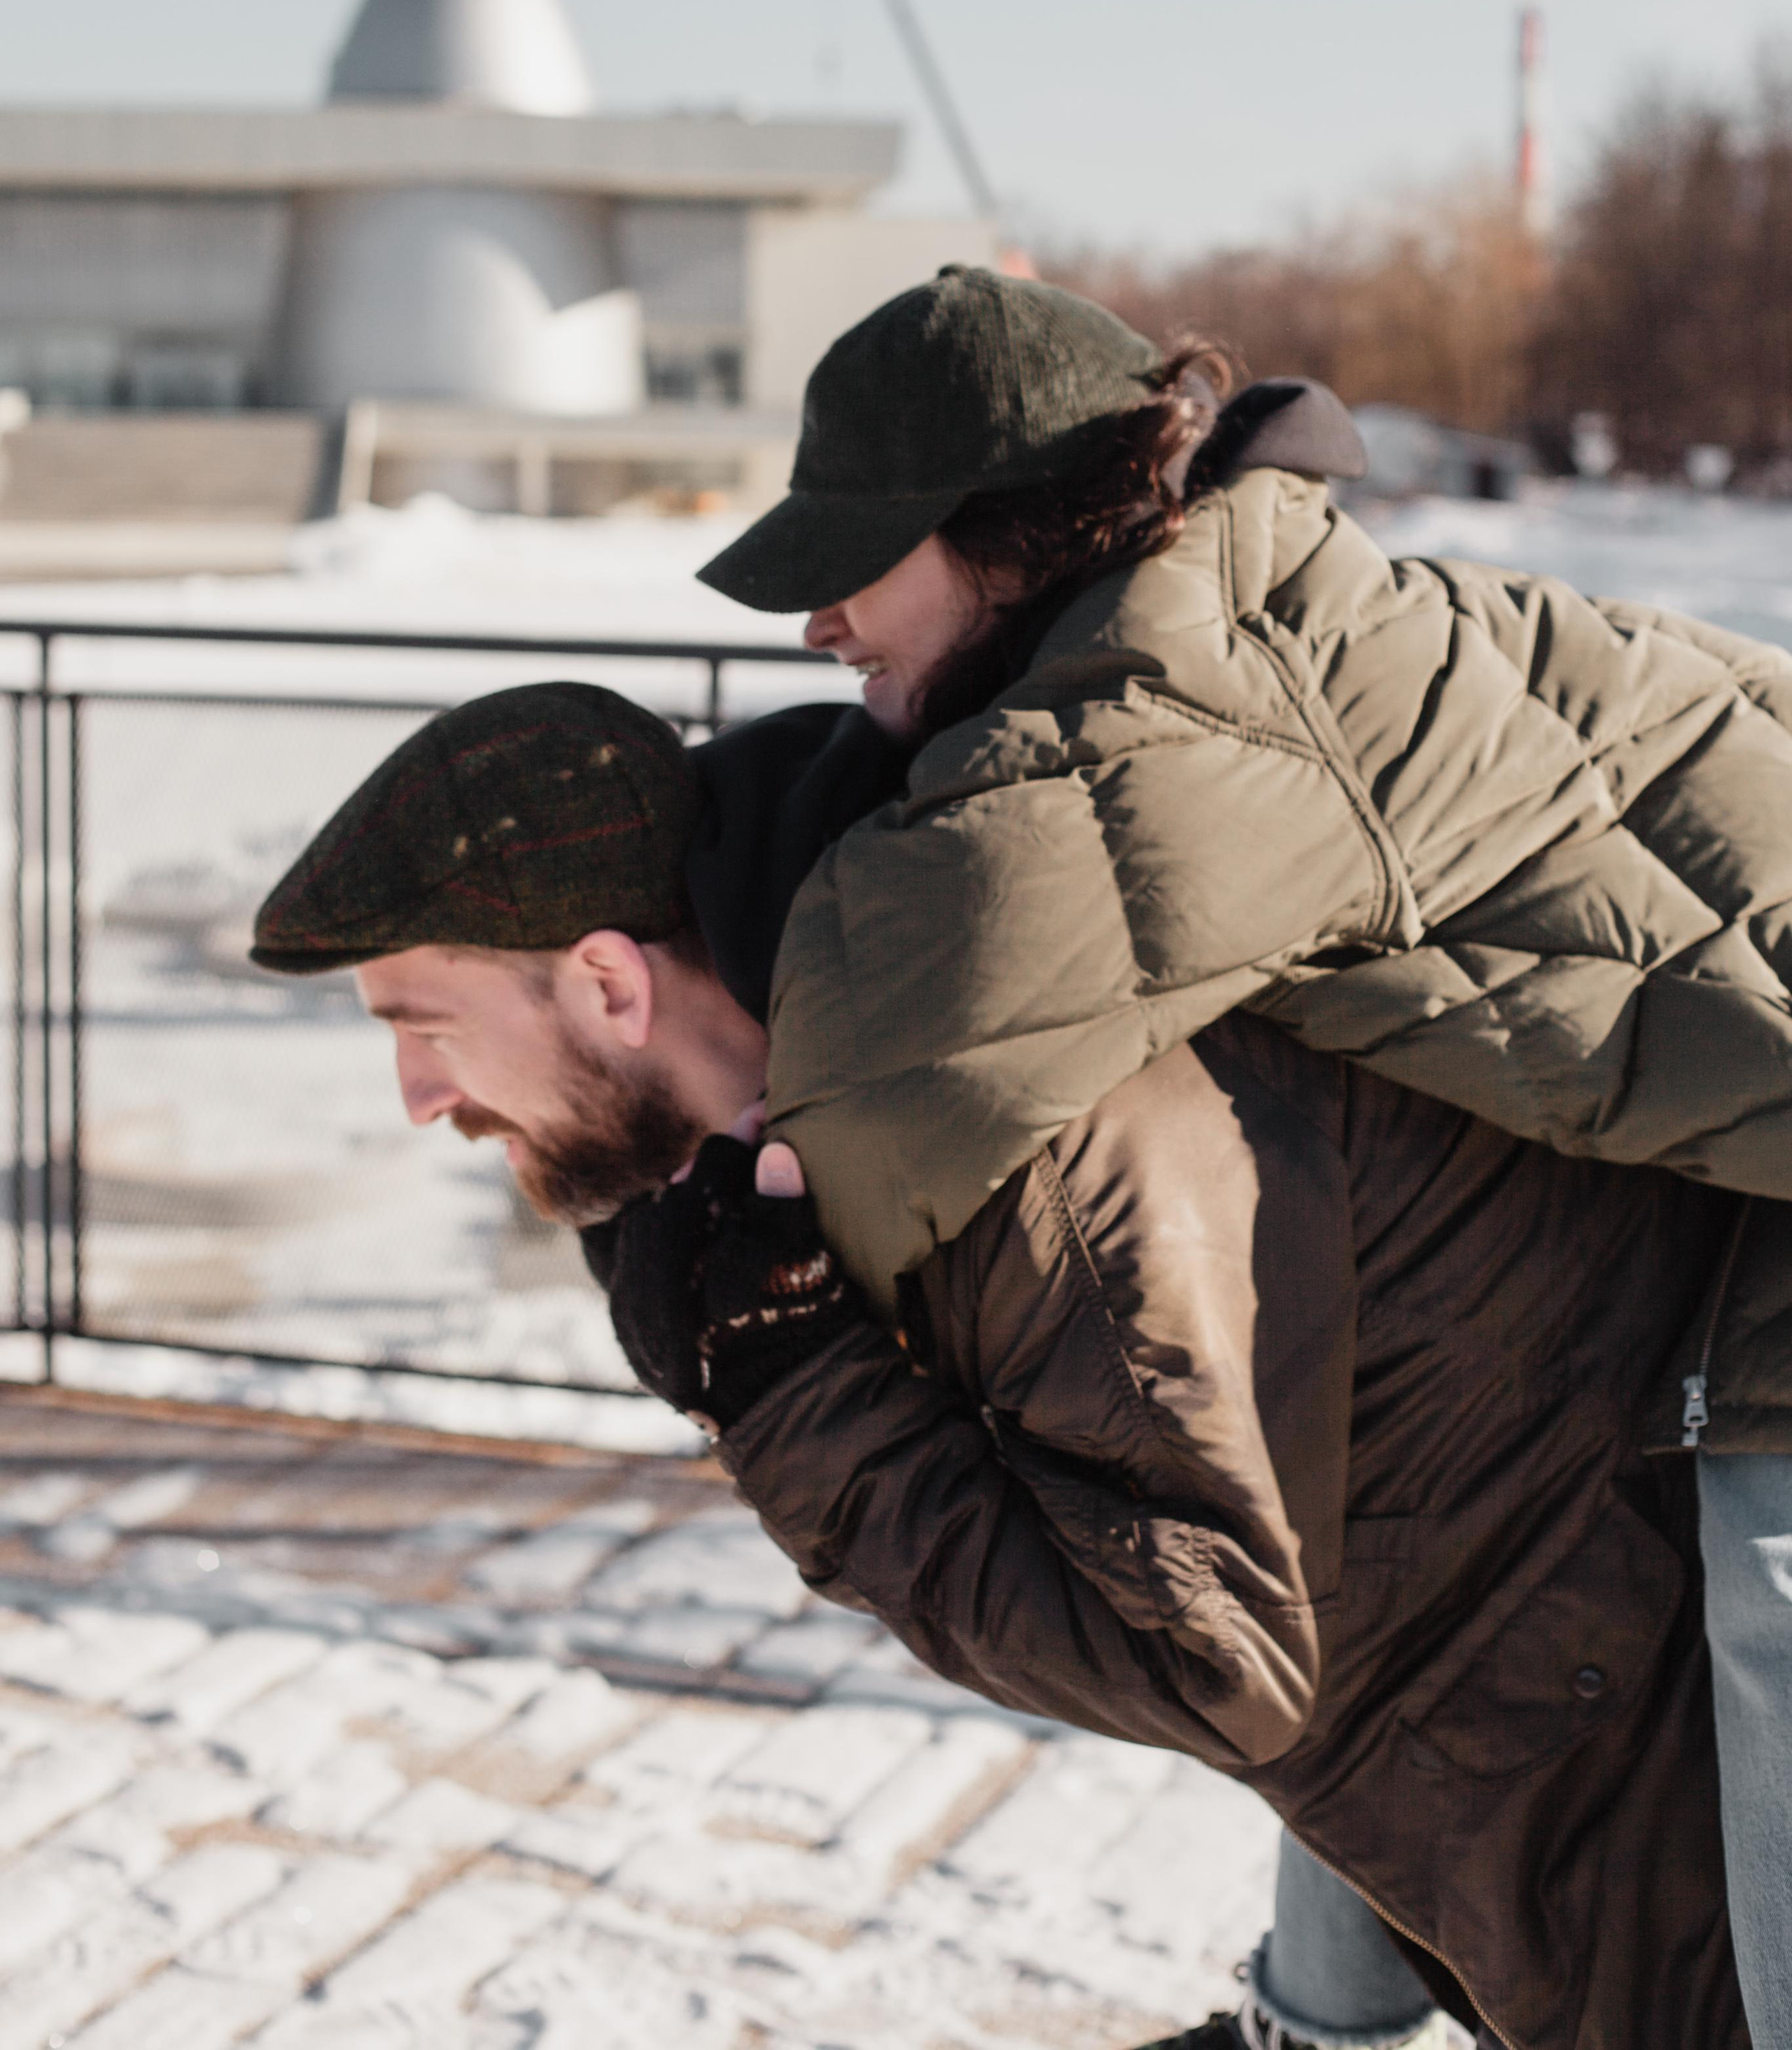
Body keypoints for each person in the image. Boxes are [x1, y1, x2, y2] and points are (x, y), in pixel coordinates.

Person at [253, 678, 1754, 2050]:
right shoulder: (831, 1075)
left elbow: (1210, 1658)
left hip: (1667, 1746)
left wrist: (793, 1400)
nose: (415, 1095)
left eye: (424, 1026)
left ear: (606, 985)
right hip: (1513, 1694)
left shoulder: (1011, 1125)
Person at [693, 264, 1792, 2049]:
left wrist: (703, 1267)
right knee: (1375, 1494)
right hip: (1721, 1174)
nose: (818, 623)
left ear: (1010, 531)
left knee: (1765, 1584)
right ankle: (1314, 2020)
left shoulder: (1185, 703)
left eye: (854, 562)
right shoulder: (1247, 614)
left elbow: (905, 1054)